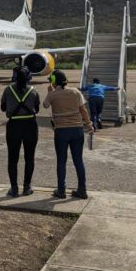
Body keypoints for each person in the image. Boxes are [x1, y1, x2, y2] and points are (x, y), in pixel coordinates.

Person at [43, 69, 95, 199]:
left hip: (61, 131)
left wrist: (49, 92)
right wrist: (89, 124)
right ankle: (82, 190)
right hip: (77, 130)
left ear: (54, 81)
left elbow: (45, 105)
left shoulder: (53, 94)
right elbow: (83, 110)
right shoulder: (75, 92)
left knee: (61, 161)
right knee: (78, 160)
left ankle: (61, 190)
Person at [0, 66, 40, 197]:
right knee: (29, 158)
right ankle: (27, 187)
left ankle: (14, 188)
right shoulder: (33, 91)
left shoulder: (8, 89)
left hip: (14, 125)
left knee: (12, 159)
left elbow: (3, 107)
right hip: (30, 125)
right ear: (29, 78)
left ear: (16, 77)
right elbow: (37, 109)